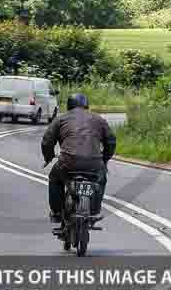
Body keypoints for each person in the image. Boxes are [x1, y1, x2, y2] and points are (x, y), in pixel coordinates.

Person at [41, 93, 116, 224]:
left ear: (69, 105)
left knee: (54, 179)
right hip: (94, 163)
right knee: (101, 179)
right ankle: (94, 211)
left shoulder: (61, 119)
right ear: (86, 105)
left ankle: (57, 212)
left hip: (68, 163)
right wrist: (104, 160)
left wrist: (48, 157)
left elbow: (47, 141)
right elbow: (111, 142)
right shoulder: (99, 119)